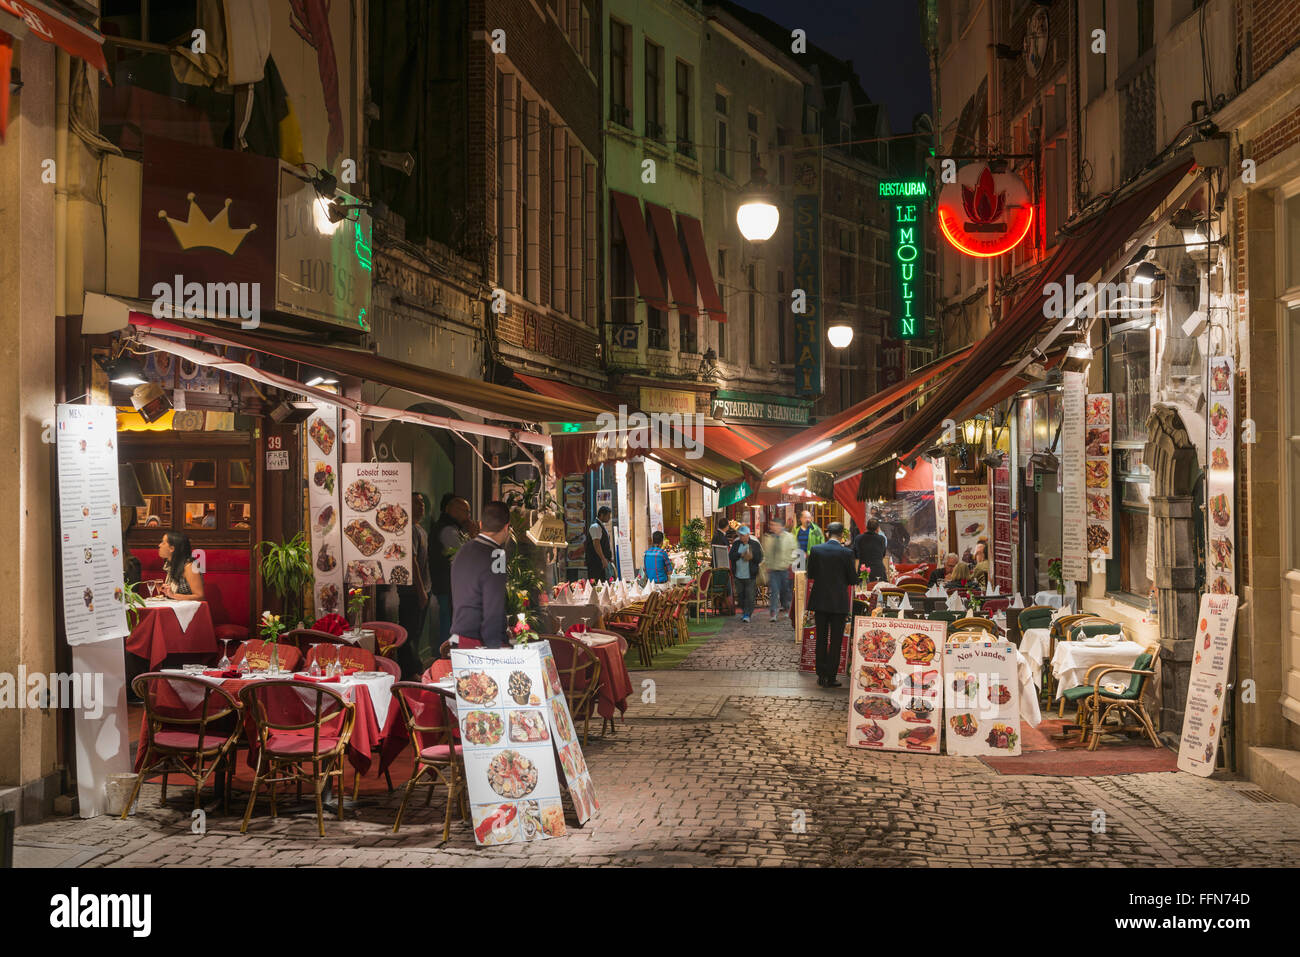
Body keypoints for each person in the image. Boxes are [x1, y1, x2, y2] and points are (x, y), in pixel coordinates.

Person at [448, 501, 512, 649]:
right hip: (481, 640)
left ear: (481, 524)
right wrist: (495, 647)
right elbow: (493, 606)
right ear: (506, 527)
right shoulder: (497, 555)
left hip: (459, 635)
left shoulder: (463, 550)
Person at [807, 522, 856, 688]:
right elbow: (852, 579)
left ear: (827, 534)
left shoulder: (816, 550)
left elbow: (811, 574)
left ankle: (820, 675)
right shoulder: (847, 553)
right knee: (836, 640)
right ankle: (831, 676)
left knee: (821, 638)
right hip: (839, 602)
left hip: (820, 600)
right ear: (841, 535)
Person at [394, 492, 431, 678]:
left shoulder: (420, 529)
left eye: (422, 503)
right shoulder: (409, 530)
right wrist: (421, 591)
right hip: (412, 591)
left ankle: (413, 669)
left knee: (416, 631)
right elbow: (412, 560)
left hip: (424, 588)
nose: (421, 506)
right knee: (408, 632)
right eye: (416, 503)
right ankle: (410, 672)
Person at [430, 494, 471, 655]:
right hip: (446, 586)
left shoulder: (453, 528)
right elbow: (462, 557)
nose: (468, 515)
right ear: (451, 510)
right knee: (447, 625)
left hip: (447, 586)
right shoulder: (448, 530)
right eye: (465, 511)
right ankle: (444, 659)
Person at [728, 525, 763, 623]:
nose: (743, 537)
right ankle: (744, 611)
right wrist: (740, 555)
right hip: (738, 575)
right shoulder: (736, 544)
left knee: (750, 595)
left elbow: (759, 558)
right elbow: (731, 556)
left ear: (748, 535)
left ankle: (748, 614)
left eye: (745, 535)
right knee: (740, 595)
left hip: (750, 575)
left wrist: (751, 557)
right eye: (741, 535)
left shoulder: (755, 544)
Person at [762, 519, 795, 623]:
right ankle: (773, 613)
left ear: (780, 526)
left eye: (774, 525)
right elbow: (767, 553)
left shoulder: (789, 537)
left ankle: (787, 607)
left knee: (785, 591)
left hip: (784, 569)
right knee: (774, 592)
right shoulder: (769, 538)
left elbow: (794, 550)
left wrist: (790, 563)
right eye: (771, 525)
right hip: (773, 569)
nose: (772, 527)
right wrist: (767, 564)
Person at [158, 531, 204, 599]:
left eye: (163, 543)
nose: (159, 545)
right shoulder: (170, 565)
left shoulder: (190, 566)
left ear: (172, 549)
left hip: (190, 608)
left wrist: (173, 595)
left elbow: (200, 596)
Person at [852, 517, 890, 582]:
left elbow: (855, 554)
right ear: (878, 528)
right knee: (879, 590)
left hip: (863, 570)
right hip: (878, 570)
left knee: (863, 590)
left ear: (866, 528)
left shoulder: (858, 538)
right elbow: (883, 554)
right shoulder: (881, 539)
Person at [585, 505, 615, 579]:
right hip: (596, 562)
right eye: (608, 516)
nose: (609, 518)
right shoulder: (595, 526)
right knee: (597, 583)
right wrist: (603, 558)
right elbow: (596, 544)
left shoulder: (601, 526)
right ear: (601, 515)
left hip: (601, 562)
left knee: (603, 582)